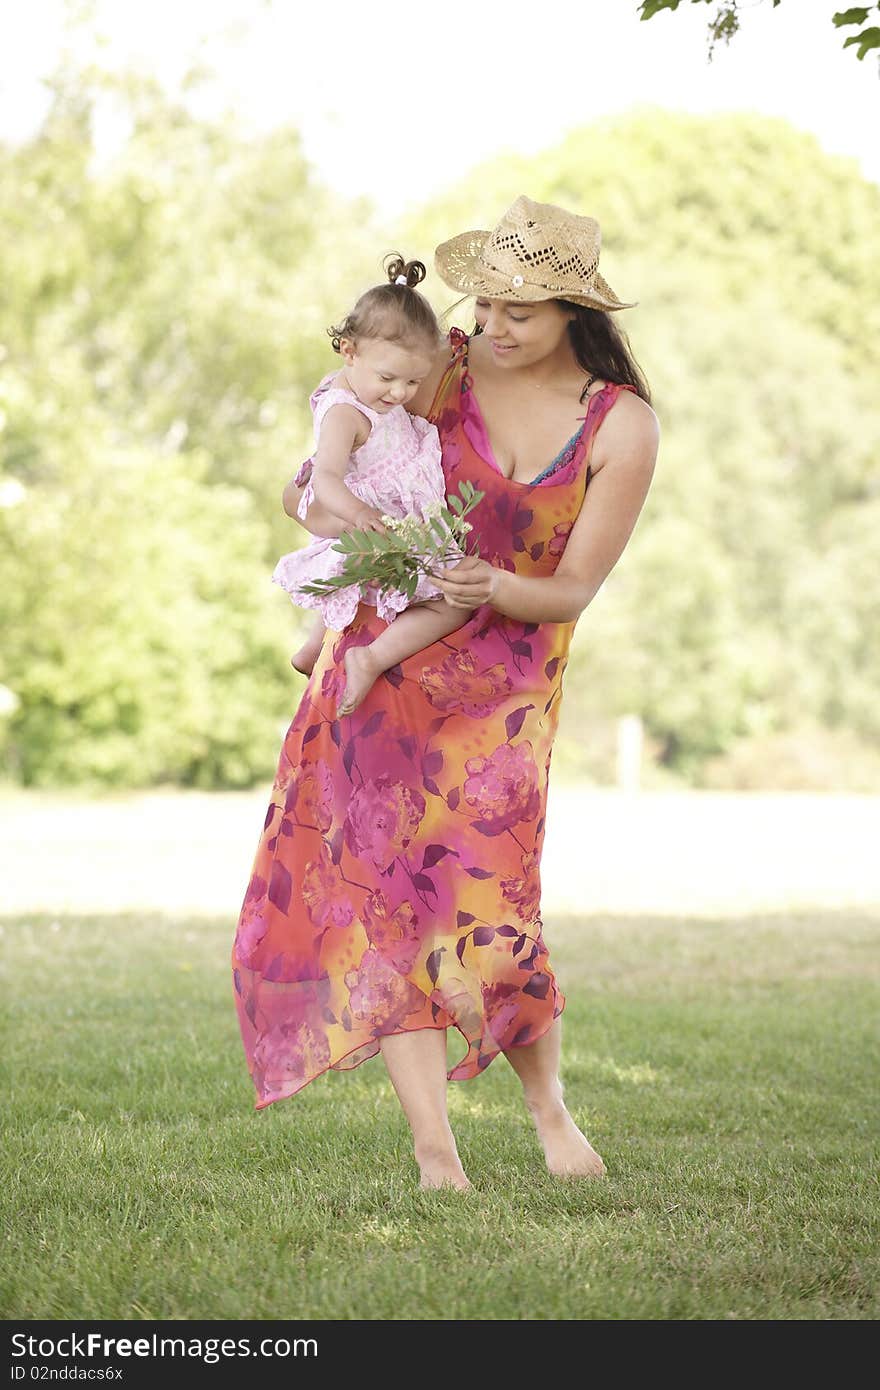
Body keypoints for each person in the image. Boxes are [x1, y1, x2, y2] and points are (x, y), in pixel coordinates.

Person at [232, 195, 659, 1191]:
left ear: (572, 312)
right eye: (485, 303)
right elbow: (329, 456)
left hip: (503, 699)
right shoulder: (442, 371)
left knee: (493, 916)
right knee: (387, 910)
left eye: (520, 309)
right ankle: (436, 1156)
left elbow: (573, 589)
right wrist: (311, 491)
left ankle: (549, 1112)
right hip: (383, 670)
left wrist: (493, 586)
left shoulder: (618, 424)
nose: (492, 325)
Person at [273, 256, 473, 717]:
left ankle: (313, 646)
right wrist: (360, 515)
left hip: (393, 520)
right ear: (349, 351)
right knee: (451, 602)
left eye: (413, 381)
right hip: (373, 523)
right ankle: (371, 658)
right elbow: (324, 478)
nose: (400, 393)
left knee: (377, 590)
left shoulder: (370, 391)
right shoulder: (346, 411)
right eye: (388, 378)